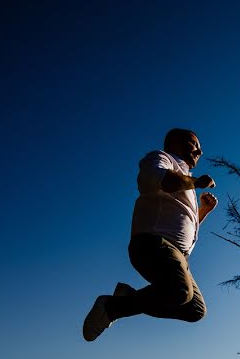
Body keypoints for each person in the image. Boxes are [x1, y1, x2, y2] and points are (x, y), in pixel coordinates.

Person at [83, 128, 218, 341]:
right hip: (153, 243)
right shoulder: (161, 158)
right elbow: (160, 179)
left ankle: (124, 301)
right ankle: (110, 307)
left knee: (195, 310)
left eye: (200, 149)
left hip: (179, 256)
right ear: (174, 143)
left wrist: (203, 211)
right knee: (179, 291)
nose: (199, 151)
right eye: (194, 145)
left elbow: (183, 222)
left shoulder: (187, 181)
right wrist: (197, 183)